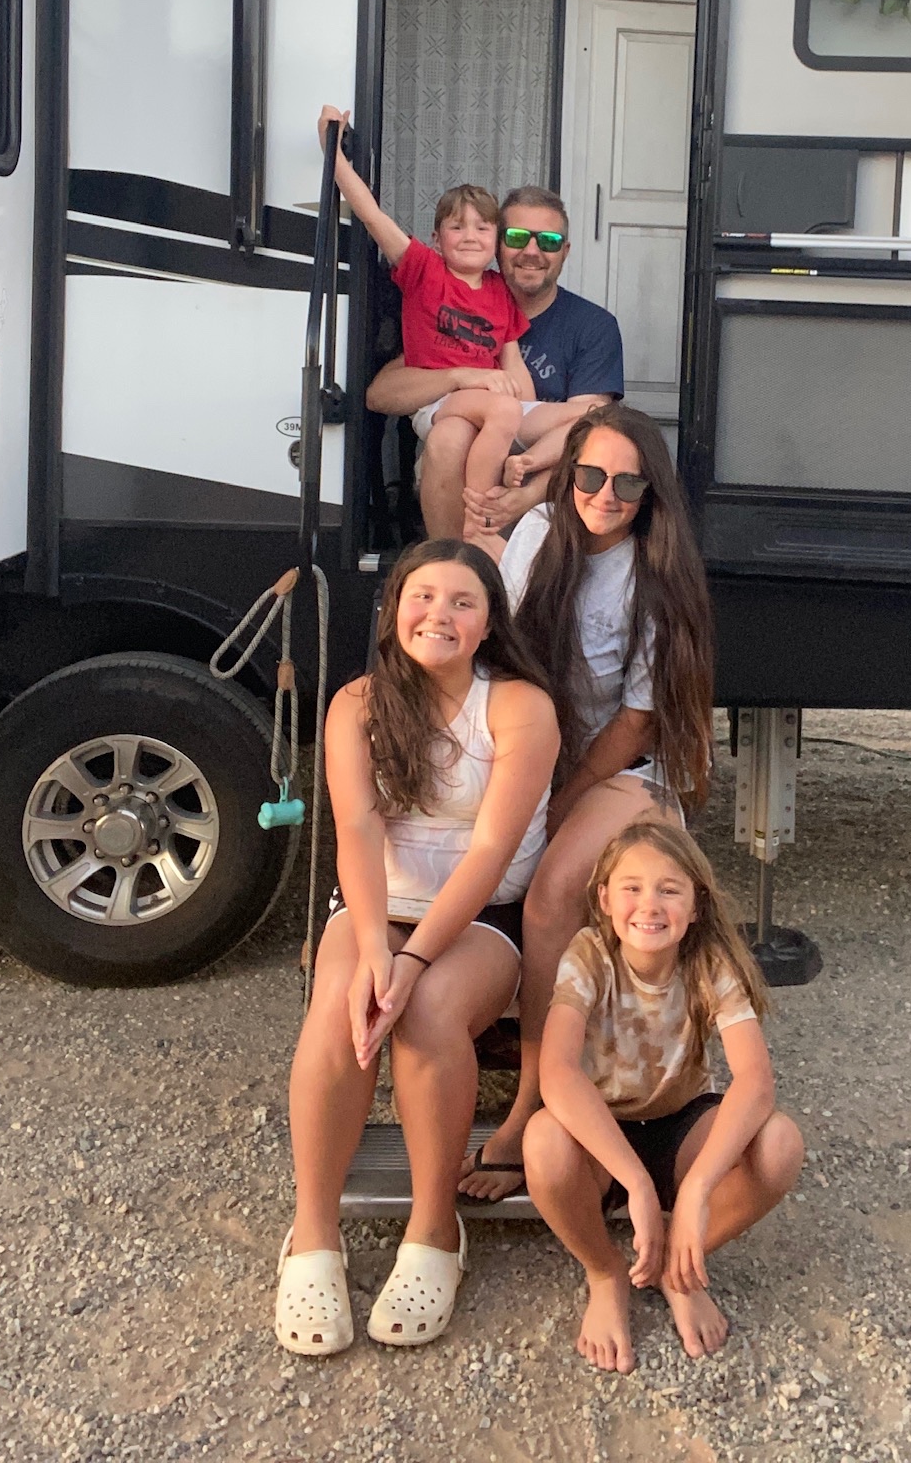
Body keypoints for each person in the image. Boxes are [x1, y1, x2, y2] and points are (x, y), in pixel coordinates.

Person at [278, 539, 559, 1355]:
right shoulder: (356, 704)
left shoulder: (517, 707)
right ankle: (312, 1235)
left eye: (463, 602)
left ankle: (436, 1230)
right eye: (423, 596)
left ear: (486, 624)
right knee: (340, 1007)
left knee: (429, 1010)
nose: (439, 613)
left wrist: (409, 963)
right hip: (376, 904)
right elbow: (358, 829)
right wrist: (374, 948)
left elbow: (492, 851)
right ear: (394, 608)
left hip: (480, 913)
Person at [460, 402, 714, 1204]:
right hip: (533, 748)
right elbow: (492, 646)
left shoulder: (653, 574)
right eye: (591, 475)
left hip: (621, 768)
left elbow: (638, 720)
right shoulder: (537, 533)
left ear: (650, 490)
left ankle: (532, 1103)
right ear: (569, 474)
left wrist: (559, 799)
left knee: (551, 896)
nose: (605, 492)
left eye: (626, 480)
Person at [525, 823, 803, 1369]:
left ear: (696, 904)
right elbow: (556, 1072)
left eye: (669, 890)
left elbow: (754, 1080)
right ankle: (606, 1273)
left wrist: (697, 1190)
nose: (648, 905)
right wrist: (633, 1182)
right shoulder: (589, 954)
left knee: (780, 1144)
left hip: (681, 1125)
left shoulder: (710, 961)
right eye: (631, 887)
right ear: (604, 899)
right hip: (603, 1134)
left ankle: (680, 1267)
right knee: (544, 1143)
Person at [318, 107, 594, 549]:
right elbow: (370, 215)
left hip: (488, 404)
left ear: (496, 241)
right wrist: (331, 151)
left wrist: (525, 406)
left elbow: (512, 363)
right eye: (456, 226)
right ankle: (477, 523)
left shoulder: (499, 291)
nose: (470, 235)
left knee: (590, 416)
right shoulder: (424, 271)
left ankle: (515, 480)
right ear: (436, 237)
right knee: (500, 412)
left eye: (483, 228)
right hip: (441, 401)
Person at [366, 185, 624, 541]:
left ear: (565, 251)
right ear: (499, 244)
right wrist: (460, 376)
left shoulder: (592, 326)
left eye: (548, 241)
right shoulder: (453, 307)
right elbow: (380, 395)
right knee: (449, 435)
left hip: (543, 484)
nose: (532, 251)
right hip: (458, 472)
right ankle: (454, 562)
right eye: (517, 237)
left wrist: (523, 497)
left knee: (596, 424)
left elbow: (587, 437)